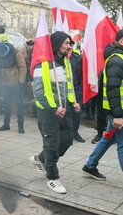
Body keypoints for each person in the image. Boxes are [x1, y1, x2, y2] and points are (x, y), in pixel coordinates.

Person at [30, 31, 80, 194]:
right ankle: (52, 178)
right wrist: (53, 108)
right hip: (48, 113)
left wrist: (73, 102)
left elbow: (68, 86)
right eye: (66, 43)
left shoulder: (65, 62)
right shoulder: (43, 64)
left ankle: (40, 159)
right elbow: (38, 91)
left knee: (66, 141)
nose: (69, 46)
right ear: (57, 44)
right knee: (52, 145)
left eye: (69, 43)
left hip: (64, 110)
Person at [83, 31, 123, 180]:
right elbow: (113, 89)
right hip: (118, 111)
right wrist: (118, 115)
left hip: (118, 110)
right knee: (122, 144)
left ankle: (90, 165)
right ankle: (90, 165)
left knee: (108, 138)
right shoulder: (117, 60)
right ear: (121, 41)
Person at [0, 42, 27, 133]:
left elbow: (23, 67)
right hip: (4, 83)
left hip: (16, 83)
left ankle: (21, 126)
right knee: (6, 104)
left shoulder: (16, 53)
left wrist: (21, 81)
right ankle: (6, 124)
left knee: (19, 105)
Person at [69, 43, 84, 142]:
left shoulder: (76, 57)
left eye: (70, 44)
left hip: (76, 88)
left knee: (77, 112)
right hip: (65, 89)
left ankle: (75, 132)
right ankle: (67, 133)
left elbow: (80, 72)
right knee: (66, 112)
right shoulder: (57, 58)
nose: (69, 46)